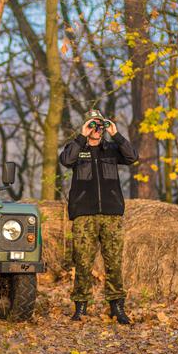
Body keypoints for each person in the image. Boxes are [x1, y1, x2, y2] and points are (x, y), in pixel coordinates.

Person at [59, 109, 138, 324]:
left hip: (111, 215)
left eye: (99, 126)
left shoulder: (112, 149)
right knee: (83, 262)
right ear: (86, 126)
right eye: (93, 125)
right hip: (84, 215)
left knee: (114, 262)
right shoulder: (76, 148)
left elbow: (132, 157)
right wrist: (82, 136)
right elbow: (66, 160)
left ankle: (117, 307)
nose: (97, 129)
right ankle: (81, 307)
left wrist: (117, 134)